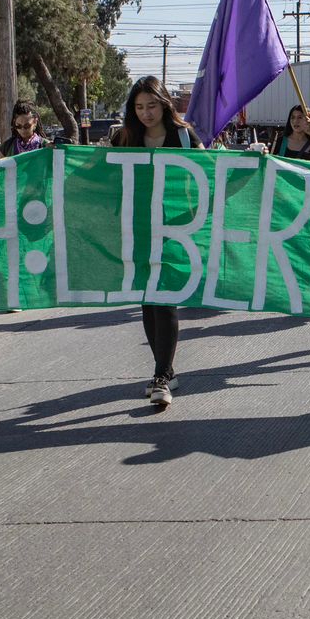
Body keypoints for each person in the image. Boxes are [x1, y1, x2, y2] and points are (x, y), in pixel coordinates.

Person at [109, 76, 202, 408]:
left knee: (164, 298)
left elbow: (212, 169)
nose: (146, 113)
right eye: (139, 107)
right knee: (148, 299)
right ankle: (167, 370)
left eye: (151, 105)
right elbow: (99, 172)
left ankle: (161, 375)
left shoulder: (184, 136)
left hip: (177, 228)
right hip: (137, 227)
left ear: (164, 104)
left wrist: (252, 158)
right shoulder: (124, 138)